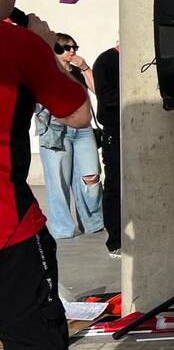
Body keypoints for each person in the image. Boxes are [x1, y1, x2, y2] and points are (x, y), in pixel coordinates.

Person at [0, 0, 141, 350]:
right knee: (34, 347)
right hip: (7, 229)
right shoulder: (15, 43)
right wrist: (43, 46)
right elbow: (79, 112)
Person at [35, 33, 104, 241]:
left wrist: (84, 68)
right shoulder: (46, 70)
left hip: (83, 131)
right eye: (65, 47)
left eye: (74, 47)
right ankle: (63, 229)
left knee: (91, 177)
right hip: (55, 130)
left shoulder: (77, 71)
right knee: (58, 182)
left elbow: (97, 91)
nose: (72, 51)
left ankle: (93, 222)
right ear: (55, 50)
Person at [92, 42, 121, 258]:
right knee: (115, 184)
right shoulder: (106, 61)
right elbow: (107, 97)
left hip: (140, 130)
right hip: (115, 130)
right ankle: (116, 241)